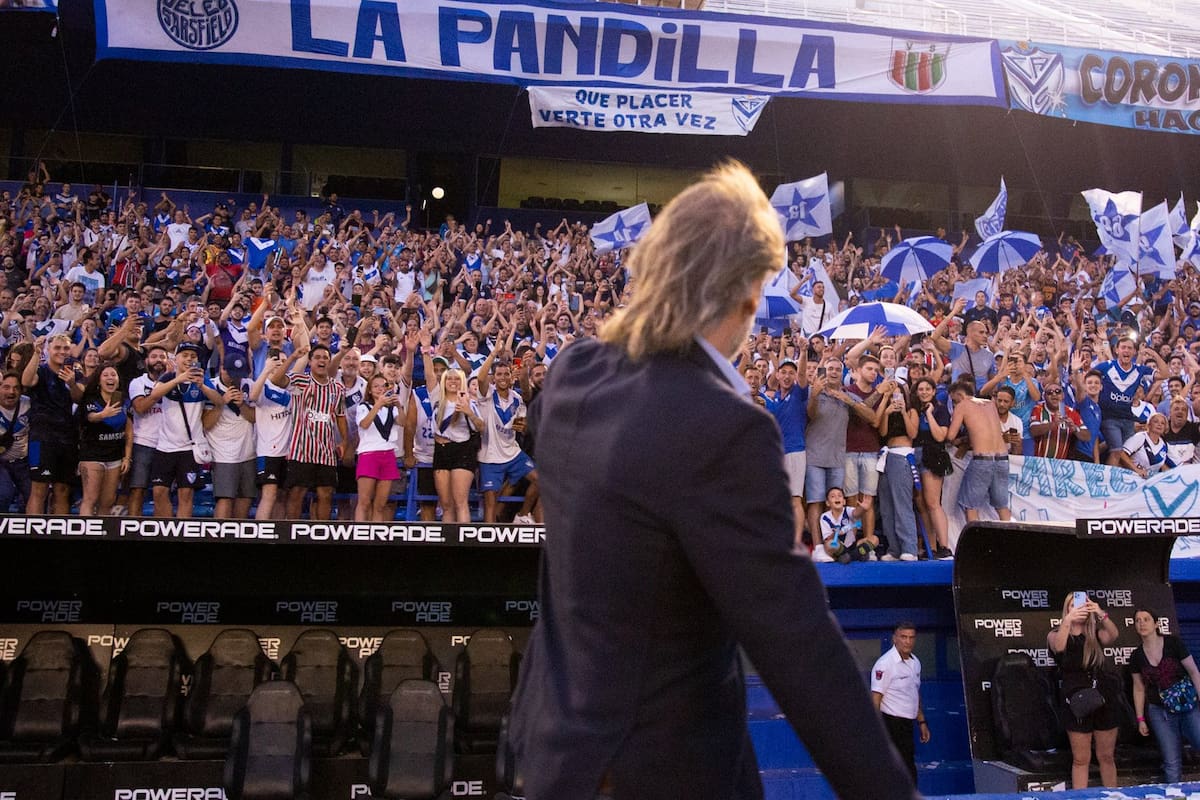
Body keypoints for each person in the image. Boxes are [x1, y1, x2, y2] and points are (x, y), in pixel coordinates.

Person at [507, 162, 917, 800]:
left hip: (553, 757)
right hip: (658, 775)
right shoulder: (723, 427)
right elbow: (795, 642)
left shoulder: (571, 374)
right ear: (749, 294)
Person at [145, 342, 227, 518]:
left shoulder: (202, 380)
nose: (189, 359)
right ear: (176, 358)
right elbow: (154, 395)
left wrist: (202, 386)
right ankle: (164, 532)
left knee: (186, 494)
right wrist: (178, 379)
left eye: (193, 356)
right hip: (165, 446)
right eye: (185, 355)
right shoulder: (167, 378)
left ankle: (181, 534)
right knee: (159, 492)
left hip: (189, 448)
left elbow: (220, 402)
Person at [1047, 593, 1121, 789]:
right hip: (1076, 702)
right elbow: (1059, 647)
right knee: (1081, 759)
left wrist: (1100, 613)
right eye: (1073, 605)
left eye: (1081, 604)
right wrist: (1068, 621)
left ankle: (1112, 794)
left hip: (1102, 697)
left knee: (1106, 756)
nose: (1078, 608)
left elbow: (1113, 635)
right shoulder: (1056, 633)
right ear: (1067, 609)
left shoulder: (1094, 634)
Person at [275, 344, 347, 521]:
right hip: (301, 449)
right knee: (297, 492)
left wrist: (345, 441)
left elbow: (340, 416)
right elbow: (276, 381)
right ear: (310, 361)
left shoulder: (338, 388)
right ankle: (292, 532)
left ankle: (321, 532)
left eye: (325, 357)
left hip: (326, 451)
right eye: (318, 357)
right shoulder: (301, 381)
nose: (322, 360)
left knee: (326, 493)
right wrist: (292, 357)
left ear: (330, 362)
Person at [1130, 607, 1200, 783]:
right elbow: (1138, 688)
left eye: (1146, 619)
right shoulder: (1136, 656)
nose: (1142, 623)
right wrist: (1140, 719)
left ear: (1156, 623)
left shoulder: (1173, 643)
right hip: (1160, 711)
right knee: (1171, 760)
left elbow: (1194, 672)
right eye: (1138, 620)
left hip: (1188, 706)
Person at [22, 334, 83, 515]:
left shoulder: (75, 373)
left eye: (65, 348)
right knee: (39, 489)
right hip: (42, 437)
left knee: (62, 491)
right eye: (57, 348)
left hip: (67, 438)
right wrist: (36, 354)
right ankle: (33, 536)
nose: (61, 352)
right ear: (49, 350)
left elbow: (79, 397)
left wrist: (71, 383)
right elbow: (25, 381)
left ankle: (60, 539)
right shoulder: (41, 371)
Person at [872, 622, 930, 783]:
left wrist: (922, 721)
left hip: (907, 724)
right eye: (903, 637)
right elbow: (876, 698)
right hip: (890, 723)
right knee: (897, 769)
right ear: (894, 639)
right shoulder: (885, 664)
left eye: (911, 637)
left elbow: (914, 693)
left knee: (907, 766)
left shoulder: (915, 663)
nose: (908, 641)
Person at [947, 380, 1012, 522]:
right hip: (1002, 458)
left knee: (971, 507)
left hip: (983, 460)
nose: (953, 404)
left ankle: (975, 543)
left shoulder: (962, 405)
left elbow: (951, 436)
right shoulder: (989, 404)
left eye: (954, 400)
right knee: (1002, 506)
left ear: (959, 395)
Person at [76, 364, 131, 515]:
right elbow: (90, 417)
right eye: (106, 375)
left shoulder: (124, 400)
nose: (110, 378)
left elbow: (129, 430)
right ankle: (85, 533)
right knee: (90, 499)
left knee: (107, 501)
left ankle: (102, 535)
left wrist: (127, 457)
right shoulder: (90, 399)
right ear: (99, 380)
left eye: (113, 375)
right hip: (93, 455)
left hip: (115, 456)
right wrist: (103, 414)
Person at [429, 367, 482, 523]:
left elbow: (481, 427)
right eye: (449, 378)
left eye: (457, 378)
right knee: (446, 504)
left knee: (460, 502)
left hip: (462, 451)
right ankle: (448, 543)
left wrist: (468, 412)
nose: (453, 382)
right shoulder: (438, 404)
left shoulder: (470, 404)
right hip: (441, 451)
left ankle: (464, 542)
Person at [875, 376, 919, 561]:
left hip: (902, 456)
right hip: (886, 455)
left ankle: (909, 548)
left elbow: (913, 433)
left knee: (902, 504)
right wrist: (886, 412)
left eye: (898, 393)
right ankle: (894, 548)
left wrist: (902, 413)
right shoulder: (886, 409)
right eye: (892, 394)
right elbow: (883, 433)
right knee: (886, 506)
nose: (896, 397)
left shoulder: (911, 411)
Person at [354, 374, 407, 521]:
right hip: (369, 454)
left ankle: (376, 536)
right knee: (364, 501)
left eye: (382, 386)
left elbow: (402, 422)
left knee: (380, 504)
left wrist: (398, 405)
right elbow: (364, 424)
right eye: (375, 386)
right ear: (369, 390)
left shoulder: (391, 409)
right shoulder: (363, 406)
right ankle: (360, 534)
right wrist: (378, 405)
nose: (379, 389)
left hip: (388, 453)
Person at [910, 377, 953, 559]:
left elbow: (940, 436)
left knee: (933, 502)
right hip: (915, 455)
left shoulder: (941, 410)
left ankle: (944, 546)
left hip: (933, 455)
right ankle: (931, 547)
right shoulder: (913, 410)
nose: (924, 392)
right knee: (921, 504)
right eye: (921, 389)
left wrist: (929, 414)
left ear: (934, 391)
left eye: (928, 388)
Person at [812, 485, 874, 563]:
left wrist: (863, 508)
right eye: (833, 496)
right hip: (839, 547)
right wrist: (836, 533)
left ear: (844, 501)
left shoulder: (848, 510)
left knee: (874, 539)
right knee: (829, 545)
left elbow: (856, 513)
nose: (837, 498)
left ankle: (852, 556)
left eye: (839, 496)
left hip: (852, 545)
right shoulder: (825, 517)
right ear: (827, 503)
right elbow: (827, 539)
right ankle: (849, 555)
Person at [0, 371, 31, 513]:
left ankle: (26, 533)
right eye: (6, 387)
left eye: (16, 387)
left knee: (33, 495)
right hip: (1, 463)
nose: (11, 392)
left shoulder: (28, 403)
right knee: (4, 494)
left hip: (22, 462)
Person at [1117, 412, 1169, 478]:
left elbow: (1161, 465)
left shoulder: (1163, 445)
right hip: (1130, 477)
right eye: (1156, 421)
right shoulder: (1140, 437)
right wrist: (1136, 470)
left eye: (1162, 423)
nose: (1159, 424)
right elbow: (1121, 453)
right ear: (1149, 424)